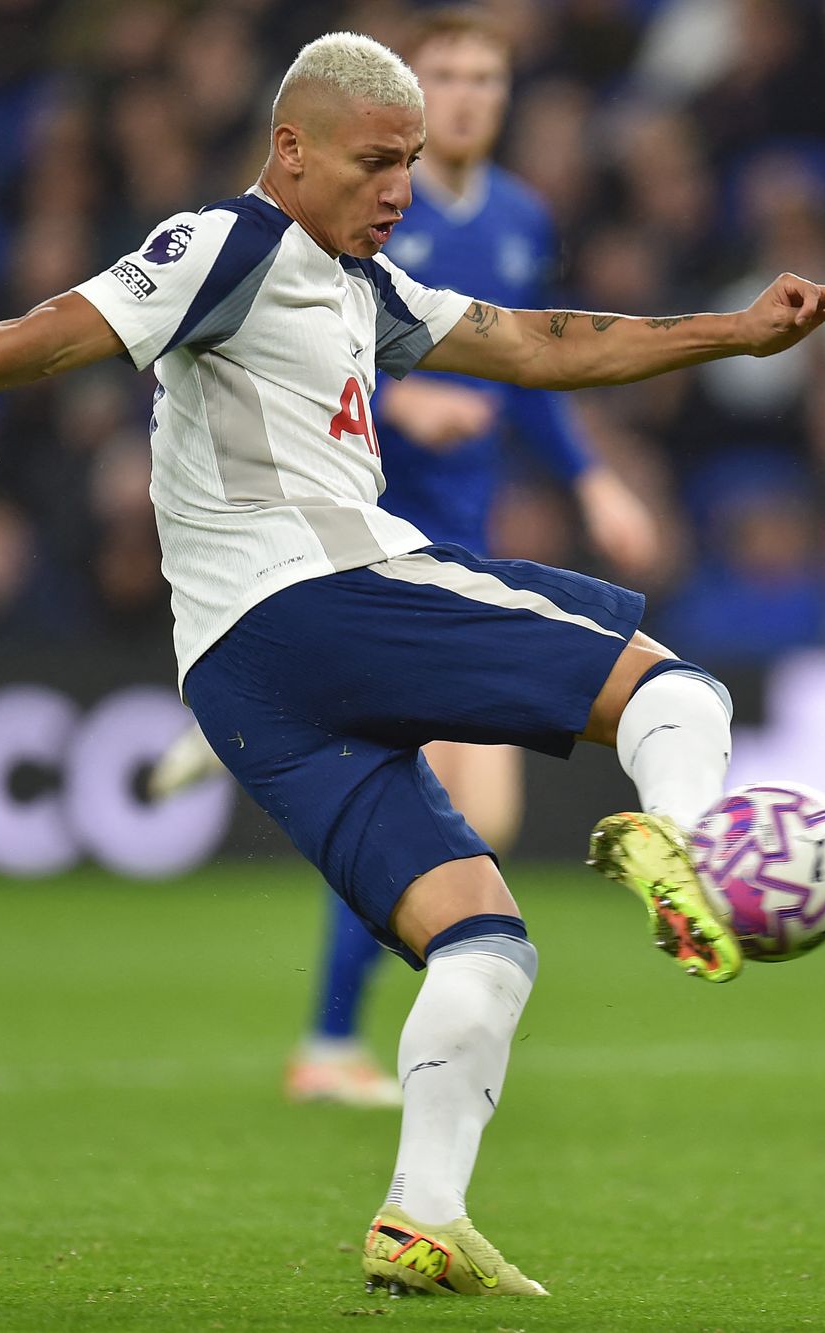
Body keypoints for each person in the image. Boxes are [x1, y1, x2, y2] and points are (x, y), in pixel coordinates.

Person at [0, 32, 825, 1297]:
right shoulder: (229, 244)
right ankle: (686, 845)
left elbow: (542, 345)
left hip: (239, 681)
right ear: (290, 151)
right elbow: (50, 332)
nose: (398, 188)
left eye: (407, 163)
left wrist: (736, 331)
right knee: (671, 690)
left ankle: (419, 1217)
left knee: (483, 944)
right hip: (322, 593)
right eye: (373, 162)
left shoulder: (362, 288)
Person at [147, 7, 662, 1112]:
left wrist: (591, 479)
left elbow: (525, 357)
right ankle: (329, 1039)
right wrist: (404, 399)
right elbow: (300, 349)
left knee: (474, 824)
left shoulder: (518, 215)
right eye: (450, 78)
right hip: (346, 558)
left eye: (487, 78)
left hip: (449, 548)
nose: (470, 97)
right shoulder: (358, 214)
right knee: (447, 821)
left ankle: (334, 1029)